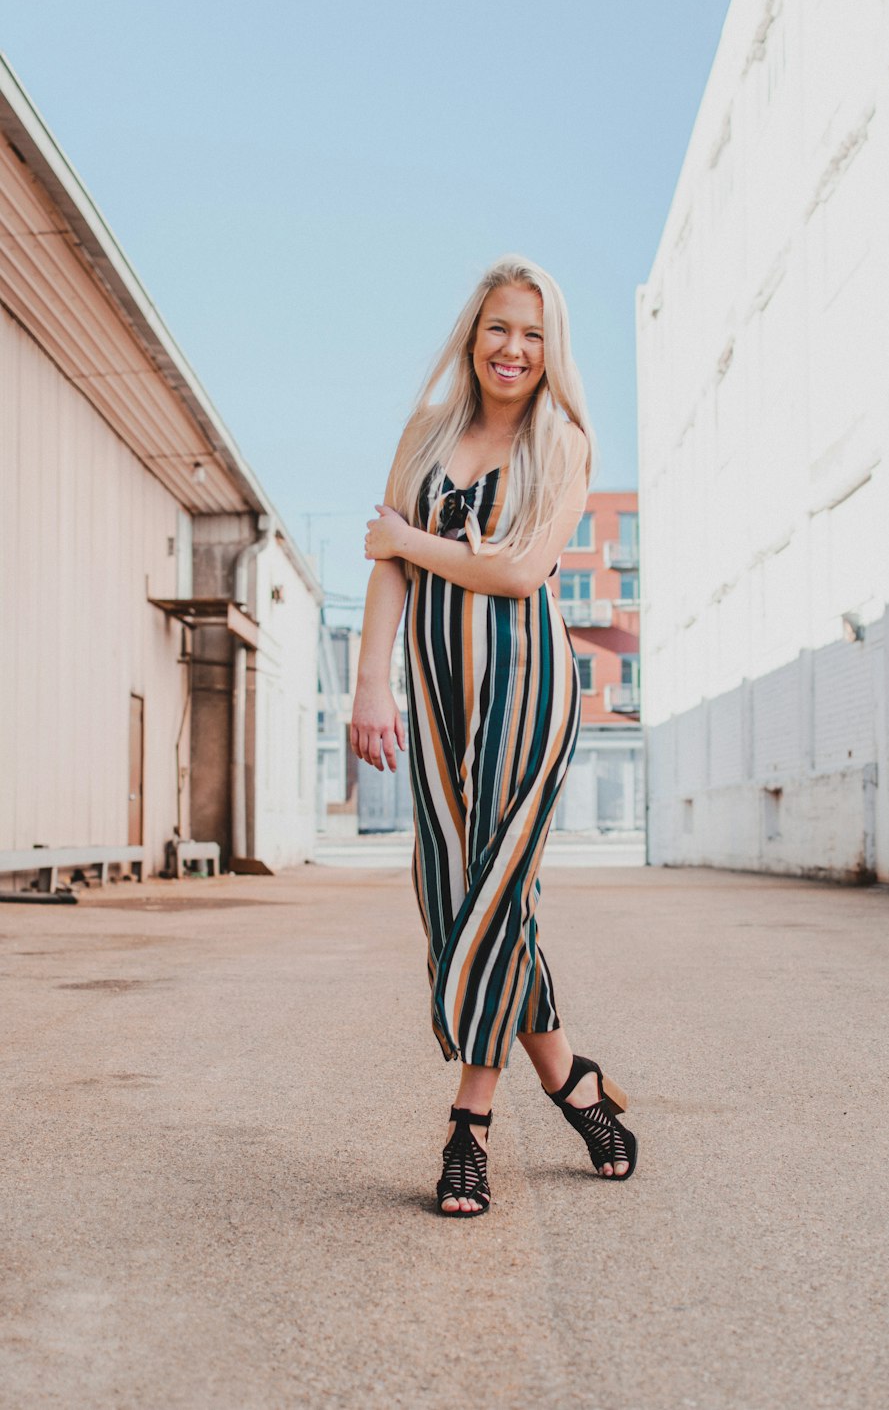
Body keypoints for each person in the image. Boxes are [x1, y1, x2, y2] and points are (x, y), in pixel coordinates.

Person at [353, 255, 638, 1216]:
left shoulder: (564, 440)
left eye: (532, 334)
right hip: (435, 698)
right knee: (454, 896)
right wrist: (370, 685)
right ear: (472, 336)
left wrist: (402, 537)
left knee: (494, 887)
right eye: (498, 330)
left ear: (550, 347)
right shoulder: (425, 432)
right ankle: (575, 1084)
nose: (514, 350)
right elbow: (385, 575)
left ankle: (469, 1124)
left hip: (529, 690)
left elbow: (520, 572)